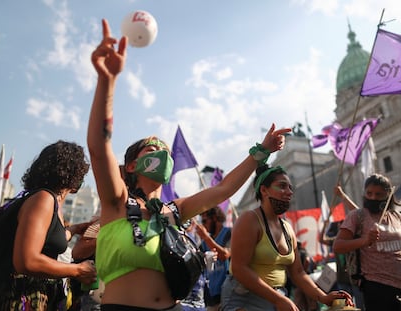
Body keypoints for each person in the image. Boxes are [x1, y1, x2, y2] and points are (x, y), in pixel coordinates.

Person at [87, 18, 291, 310]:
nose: (163, 153)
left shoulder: (175, 211)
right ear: (131, 166)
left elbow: (223, 190)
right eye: (153, 148)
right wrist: (107, 81)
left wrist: (261, 152)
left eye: (166, 150)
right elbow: (98, 146)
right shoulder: (116, 201)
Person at [220, 165, 353, 311]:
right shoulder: (249, 220)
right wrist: (278, 300)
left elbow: (298, 272)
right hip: (245, 299)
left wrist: (323, 297)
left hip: (276, 297)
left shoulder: (287, 228)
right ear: (264, 190)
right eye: (282, 186)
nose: (289, 192)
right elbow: (239, 269)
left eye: (290, 188)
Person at [0, 140, 97, 310]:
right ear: (74, 174)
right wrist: (78, 270)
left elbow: (47, 238)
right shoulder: (44, 199)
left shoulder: (38, 198)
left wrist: (75, 229)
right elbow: (27, 261)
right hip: (19, 299)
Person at [333, 174, 401, 311]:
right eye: (369, 193)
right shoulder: (357, 216)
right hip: (376, 286)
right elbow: (338, 246)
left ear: (388, 195)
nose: (373, 198)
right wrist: (365, 241)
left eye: (379, 194)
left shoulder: (397, 217)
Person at [318, 185, 365, 310]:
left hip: (355, 279)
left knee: (360, 306)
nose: (343, 227)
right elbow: (321, 239)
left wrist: (342, 196)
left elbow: (359, 214)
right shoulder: (335, 241)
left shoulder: (355, 239)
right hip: (342, 279)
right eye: (340, 225)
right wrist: (325, 225)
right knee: (343, 308)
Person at [196, 207, 231, 311]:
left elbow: (225, 255)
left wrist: (206, 238)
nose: (203, 224)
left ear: (215, 218)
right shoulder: (203, 244)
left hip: (227, 295)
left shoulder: (229, 233)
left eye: (205, 221)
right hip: (211, 297)